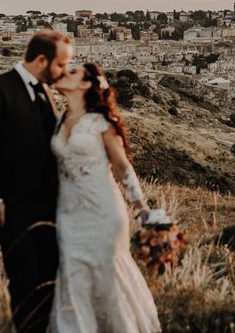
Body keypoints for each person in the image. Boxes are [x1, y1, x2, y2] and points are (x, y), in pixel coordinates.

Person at [0, 30, 73, 332]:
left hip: (46, 206)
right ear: (42, 59)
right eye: (60, 65)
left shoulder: (44, 92)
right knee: (24, 278)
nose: (63, 72)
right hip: (10, 206)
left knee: (47, 276)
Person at [49, 62, 160, 332]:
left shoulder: (100, 123)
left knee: (107, 278)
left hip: (102, 212)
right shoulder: (60, 119)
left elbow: (122, 167)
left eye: (72, 72)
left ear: (86, 85)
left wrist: (141, 206)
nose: (64, 73)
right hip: (68, 213)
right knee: (72, 277)